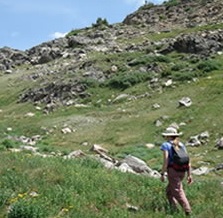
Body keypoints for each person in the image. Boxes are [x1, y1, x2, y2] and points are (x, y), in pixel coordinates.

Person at [160, 126, 192, 216]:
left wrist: (163, 173)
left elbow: (166, 160)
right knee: (169, 191)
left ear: (167, 136)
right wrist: (189, 174)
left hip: (173, 170)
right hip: (182, 171)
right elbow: (188, 160)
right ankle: (174, 209)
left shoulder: (166, 145)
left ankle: (187, 210)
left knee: (177, 191)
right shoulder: (181, 145)